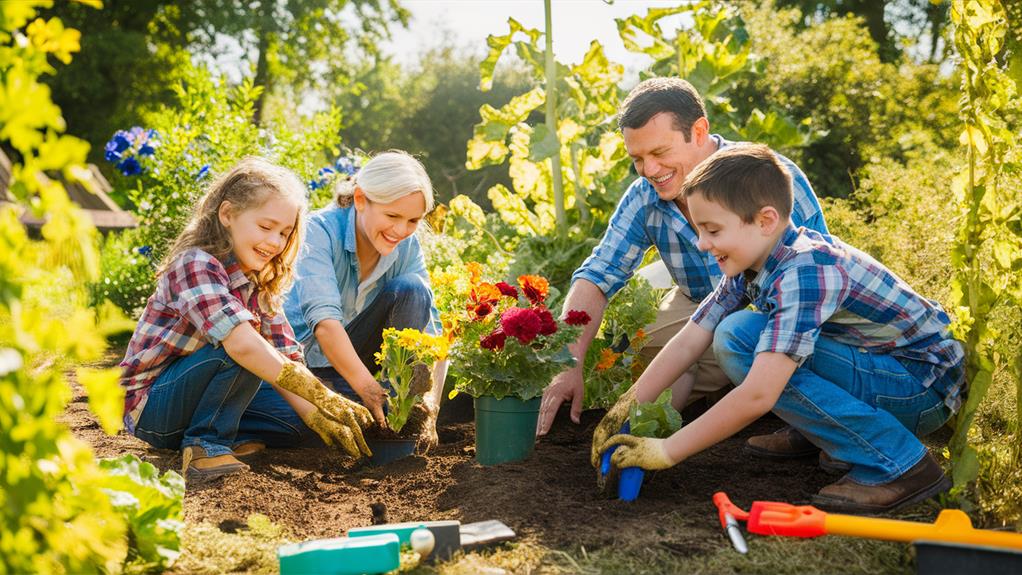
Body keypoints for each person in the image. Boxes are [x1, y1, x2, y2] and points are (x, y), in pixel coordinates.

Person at [594, 145, 964, 514]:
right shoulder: (755, 258)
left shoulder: (806, 270)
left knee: (741, 342)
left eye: (712, 230)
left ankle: (899, 463)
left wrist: (667, 450)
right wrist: (627, 404)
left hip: (919, 388)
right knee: (738, 333)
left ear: (766, 220)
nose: (702, 244)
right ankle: (821, 432)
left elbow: (759, 395)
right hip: (880, 368)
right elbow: (692, 337)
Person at [537, 77, 829, 436]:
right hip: (705, 302)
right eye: (637, 159)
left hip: (777, 310)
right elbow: (598, 273)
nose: (649, 170)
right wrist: (567, 362)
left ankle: (804, 422)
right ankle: (658, 426)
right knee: (645, 341)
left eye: (660, 153)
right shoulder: (645, 197)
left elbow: (818, 285)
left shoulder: (767, 178)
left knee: (735, 336)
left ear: (699, 131)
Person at [120, 157, 374, 485]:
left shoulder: (256, 282)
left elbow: (287, 356)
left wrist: (318, 416)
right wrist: (319, 392)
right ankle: (205, 444)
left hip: (194, 396)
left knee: (294, 423)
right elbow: (242, 345)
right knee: (245, 344)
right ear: (227, 215)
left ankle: (222, 433)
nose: (275, 242)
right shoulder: (195, 264)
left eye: (284, 233)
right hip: (153, 408)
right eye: (266, 227)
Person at [236, 151, 443, 450]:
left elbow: (433, 335)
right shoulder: (319, 231)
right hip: (299, 367)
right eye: (392, 216)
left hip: (349, 367)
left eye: (413, 220)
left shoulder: (406, 245)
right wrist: (368, 389)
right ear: (360, 199)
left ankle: (390, 411)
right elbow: (325, 326)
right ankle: (243, 427)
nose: (401, 230)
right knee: (314, 423)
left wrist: (430, 409)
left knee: (413, 289)